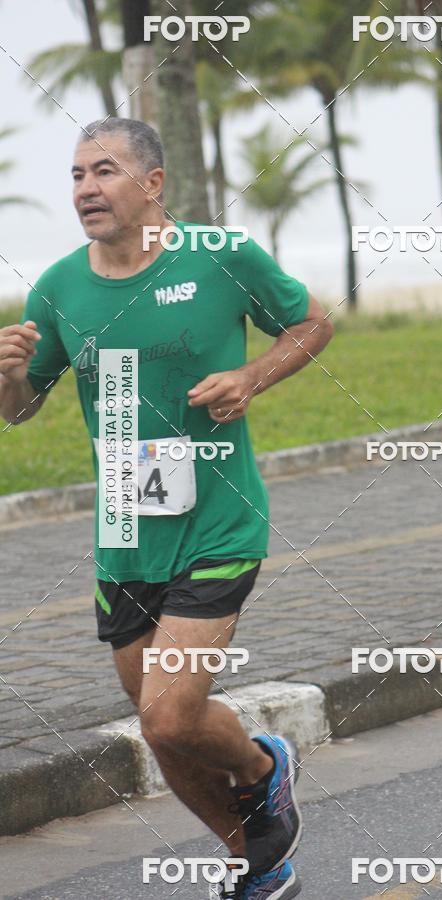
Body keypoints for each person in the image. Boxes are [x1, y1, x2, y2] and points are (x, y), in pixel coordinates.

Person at [0, 117, 334, 899]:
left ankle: (264, 765)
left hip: (218, 521)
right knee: (165, 733)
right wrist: (10, 374)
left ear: (153, 184)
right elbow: (17, 411)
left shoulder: (223, 257)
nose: (86, 188)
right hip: (124, 536)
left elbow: (312, 322)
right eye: (78, 174)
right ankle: (254, 858)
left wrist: (253, 377)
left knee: (170, 718)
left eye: (105, 171)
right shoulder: (57, 287)